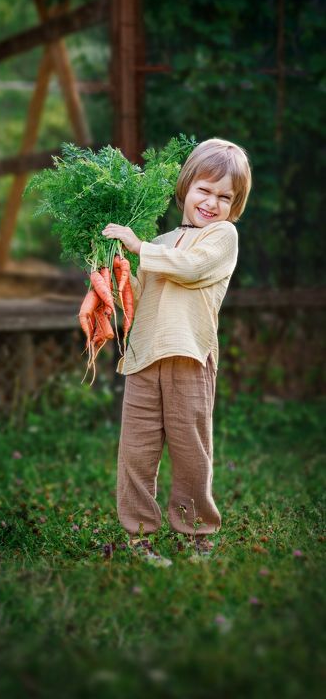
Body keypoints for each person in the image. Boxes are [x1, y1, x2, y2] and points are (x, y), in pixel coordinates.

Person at [102, 137, 252, 565]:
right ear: (186, 187)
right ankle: (139, 537)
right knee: (136, 451)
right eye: (205, 190)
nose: (212, 202)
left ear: (234, 205)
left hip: (189, 356)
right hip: (145, 358)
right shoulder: (162, 240)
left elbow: (191, 269)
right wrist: (113, 268)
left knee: (191, 451)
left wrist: (139, 248)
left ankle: (195, 533)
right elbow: (139, 291)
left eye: (225, 197)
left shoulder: (223, 237)